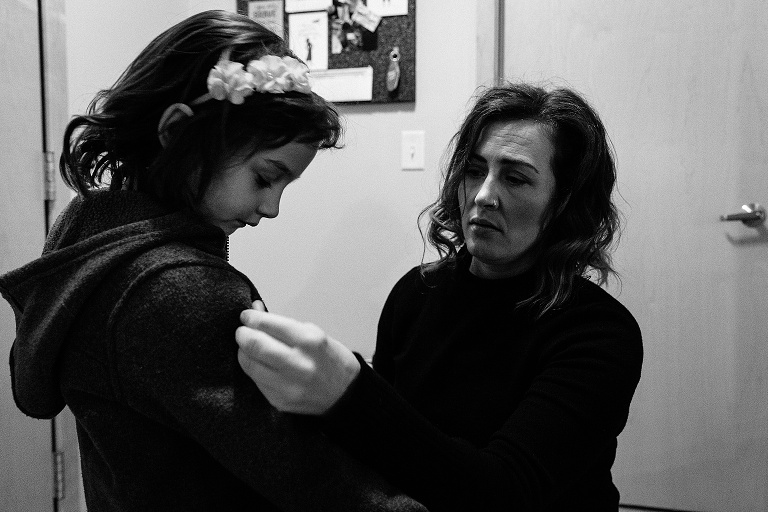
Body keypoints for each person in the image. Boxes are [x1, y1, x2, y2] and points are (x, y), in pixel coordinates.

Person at [0, 10, 427, 512]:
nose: (271, 208)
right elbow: (307, 477)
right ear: (178, 132)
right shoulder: (180, 291)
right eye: (266, 178)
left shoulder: (88, 234)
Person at [236, 83, 644, 512]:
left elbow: (503, 494)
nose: (483, 196)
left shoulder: (598, 334)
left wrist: (350, 393)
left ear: (565, 203)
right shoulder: (418, 292)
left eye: (516, 178)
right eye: (473, 170)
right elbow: (387, 454)